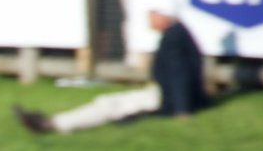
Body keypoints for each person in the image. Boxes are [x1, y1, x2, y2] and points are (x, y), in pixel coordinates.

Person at [14, 8, 206, 135]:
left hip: (163, 98)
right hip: (164, 94)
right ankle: (54, 123)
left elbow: (180, 74)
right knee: (108, 103)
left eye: (152, 14)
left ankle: (52, 125)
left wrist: (182, 110)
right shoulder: (178, 33)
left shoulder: (173, 38)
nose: (149, 18)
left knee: (108, 105)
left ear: (163, 15)